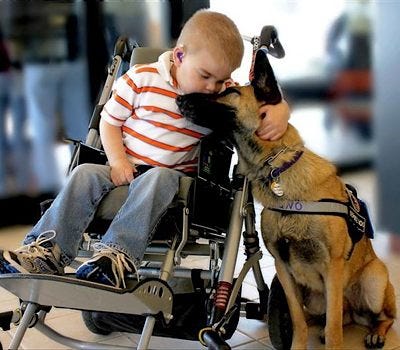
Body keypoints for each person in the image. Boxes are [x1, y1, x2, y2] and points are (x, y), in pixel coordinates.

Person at [0, 10, 290, 288]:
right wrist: (117, 160)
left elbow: (260, 104)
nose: (213, 87)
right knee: (84, 172)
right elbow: (110, 123)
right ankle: (45, 250)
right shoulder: (141, 78)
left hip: (174, 181)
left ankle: (116, 257)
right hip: (124, 166)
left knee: (159, 176)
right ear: (179, 56)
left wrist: (280, 110)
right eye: (205, 76)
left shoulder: (223, 93)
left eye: (221, 79)